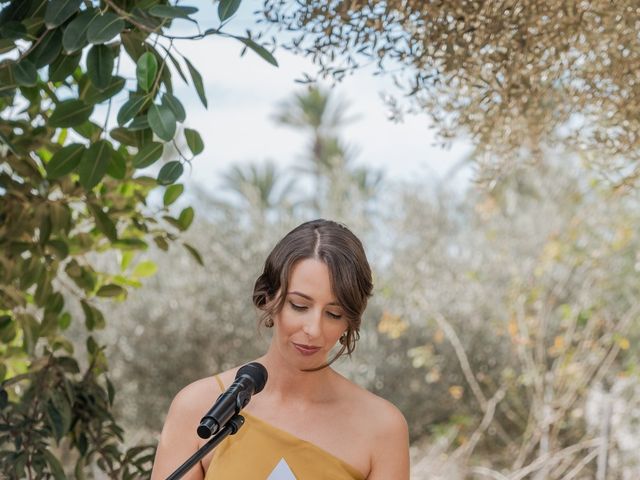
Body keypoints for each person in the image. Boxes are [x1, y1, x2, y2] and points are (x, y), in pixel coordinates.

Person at [151, 219, 410, 479]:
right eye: (299, 305)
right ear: (268, 299)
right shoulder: (197, 405)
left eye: (334, 313)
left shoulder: (382, 428)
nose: (314, 329)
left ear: (350, 321)